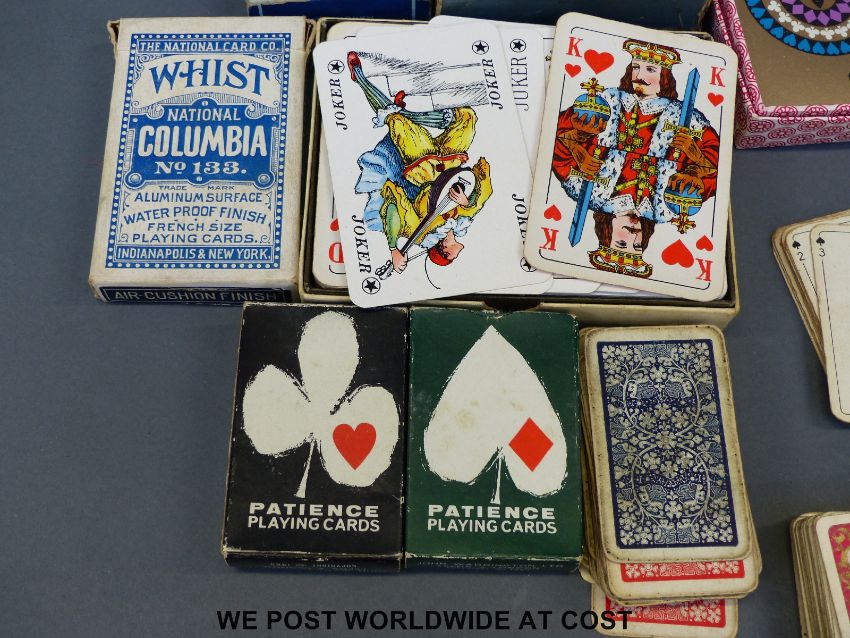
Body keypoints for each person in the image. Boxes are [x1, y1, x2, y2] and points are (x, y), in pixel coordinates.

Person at [552, 39, 720, 278]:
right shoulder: (672, 205)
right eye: (637, 245)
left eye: (621, 243)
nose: (632, 236)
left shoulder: (583, 190)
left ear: (606, 232)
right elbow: (714, 171)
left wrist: (577, 151)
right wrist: (694, 159)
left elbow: (558, 144)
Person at [347, 52, 492, 273]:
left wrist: (394, 248)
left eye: (452, 257)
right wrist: (465, 201)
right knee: (467, 119)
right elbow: (482, 193)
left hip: (420, 164)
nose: (457, 254)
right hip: (451, 159)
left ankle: (359, 77)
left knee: (397, 121)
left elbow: (393, 211)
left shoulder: (421, 233)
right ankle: (411, 113)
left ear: (444, 250)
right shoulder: (462, 223)